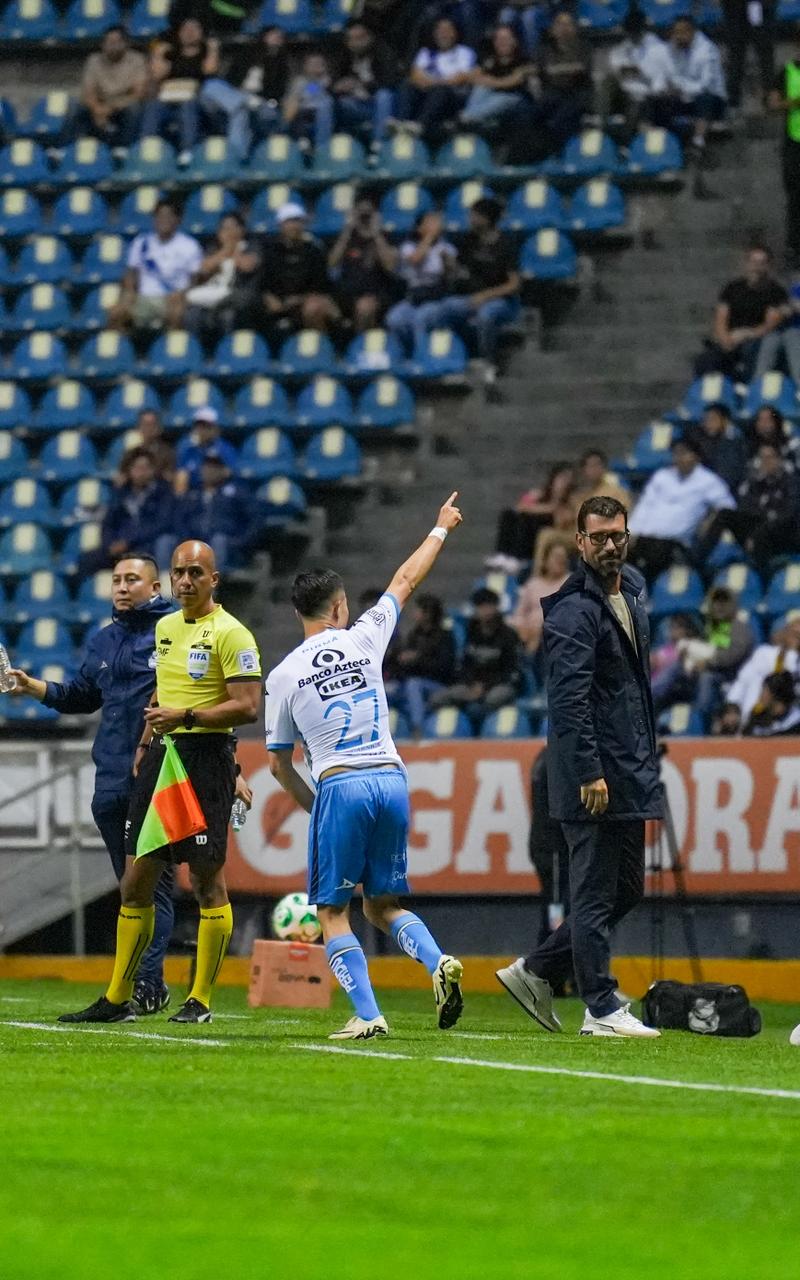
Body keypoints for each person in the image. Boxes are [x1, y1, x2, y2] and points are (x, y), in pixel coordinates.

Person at [265, 493, 465, 1040]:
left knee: (333, 912)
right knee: (382, 904)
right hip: (392, 779)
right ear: (339, 607)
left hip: (341, 784)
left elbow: (279, 765)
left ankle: (369, 1014)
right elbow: (405, 579)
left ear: (299, 613)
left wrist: (318, 809)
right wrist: (440, 527)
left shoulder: (282, 677)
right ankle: (437, 961)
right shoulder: (364, 637)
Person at [59, 540, 262, 1025]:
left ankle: (200, 1000)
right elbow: (161, 690)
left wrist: (187, 718)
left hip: (207, 759)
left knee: (207, 881)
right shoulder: (166, 628)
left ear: (214, 579)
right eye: (179, 573)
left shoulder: (233, 634)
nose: (186, 581)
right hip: (161, 759)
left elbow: (248, 706)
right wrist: (146, 741)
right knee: (136, 882)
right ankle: (117, 999)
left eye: (195, 572)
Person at [496, 495, 662, 1039]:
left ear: (627, 537)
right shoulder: (572, 610)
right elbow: (568, 702)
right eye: (599, 537)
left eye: (618, 535)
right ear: (580, 542)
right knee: (592, 895)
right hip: (592, 775)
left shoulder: (631, 590)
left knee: (627, 889)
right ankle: (601, 1007)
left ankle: (536, 969)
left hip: (627, 767)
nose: (610, 545)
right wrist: (590, 771)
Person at [4, 556, 176, 1015]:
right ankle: (141, 985)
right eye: (116, 580)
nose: (121, 587)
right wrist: (33, 687)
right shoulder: (104, 639)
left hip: (156, 774)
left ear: (155, 587)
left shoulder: (175, 632)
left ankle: (147, 985)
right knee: (130, 889)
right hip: (110, 779)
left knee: (151, 887)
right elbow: (82, 697)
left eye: (132, 579)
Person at [440, 195, 521, 393]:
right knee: (443, 310)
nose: (470, 219)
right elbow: (459, 271)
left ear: (486, 218)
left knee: (486, 315)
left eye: (474, 215)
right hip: (472, 297)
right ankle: (451, 359)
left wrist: (485, 296)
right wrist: (448, 264)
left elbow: (514, 284)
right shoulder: (469, 241)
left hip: (501, 301)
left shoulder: (506, 244)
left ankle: (488, 363)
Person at [627, 436, 736, 580]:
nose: (679, 458)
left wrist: (711, 519)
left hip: (676, 543)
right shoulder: (662, 476)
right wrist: (631, 531)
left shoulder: (708, 481)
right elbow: (645, 505)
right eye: (676, 454)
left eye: (684, 453)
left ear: (696, 456)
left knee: (654, 555)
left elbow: (728, 507)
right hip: (645, 537)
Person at [651, 586, 755, 722]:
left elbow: (733, 656)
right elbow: (701, 648)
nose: (719, 606)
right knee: (677, 666)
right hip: (704, 668)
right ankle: (651, 698)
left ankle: (701, 717)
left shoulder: (738, 627)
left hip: (730, 674)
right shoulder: (712, 626)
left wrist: (707, 663)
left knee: (706, 677)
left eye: (724, 602)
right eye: (716, 602)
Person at [696, 441, 800, 577]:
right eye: (762, 458)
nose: (765, 462)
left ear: (779, 459)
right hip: (758, 529)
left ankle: (762, 575)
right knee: (724, 514)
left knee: (766, 531)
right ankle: (697, 562)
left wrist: (758, 531)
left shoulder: (791, 481)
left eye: (770, 457)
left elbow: (788, 514)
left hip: (782, 534)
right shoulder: (754, 482)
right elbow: (746, 509)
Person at [695, 246, 790, 382]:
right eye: (753, 262)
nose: (757, 267)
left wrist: (747, 334)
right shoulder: (732, 288)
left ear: (768, 266)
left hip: (756, 340)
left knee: (754, 352)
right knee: (707, 359)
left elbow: (771, 324)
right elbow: (721, 318)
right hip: (731, 338)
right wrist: (725, 339)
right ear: (746, 264)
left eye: (762, 263)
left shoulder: (776, 292)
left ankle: (749, 386)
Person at [108, 198, 202, 334]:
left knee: (177, 314)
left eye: (169, 216)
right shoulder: (141, 242)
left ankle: (169, 346)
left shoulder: (190, 245)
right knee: (116, 313)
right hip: (143, 297)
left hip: (172, 298)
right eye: (160, 216)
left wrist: (182, 294)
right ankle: (124, 346)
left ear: (178, 219)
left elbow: (194, 280)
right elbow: (130, 273)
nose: (164, 220)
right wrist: (130, 292)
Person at [429, 586, 521, 723]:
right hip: (472, 685)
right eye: (481, 607)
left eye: (489, 606)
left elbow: (511, 671)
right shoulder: (471, 632)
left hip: (499, 685)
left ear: (496, 608)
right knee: (438, 698)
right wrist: (472, 685)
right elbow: (465, 665)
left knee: (493, 699)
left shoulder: (508, 635)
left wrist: (485, 686)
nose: (485, 611)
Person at [200, 25, 291, 163]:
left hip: (262, 103)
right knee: (211, 85)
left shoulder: (281, 64)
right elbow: (230, 80)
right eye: (273, 35)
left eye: (279, 37)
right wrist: (240, 94)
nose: (277, 38)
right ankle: (239, 154)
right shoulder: (245, 56)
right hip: (239, 96)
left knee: (240, 110)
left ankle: (235, 157)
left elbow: (277, 92)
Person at [141, 17, 219, 166]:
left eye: (194, 29)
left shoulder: (204, 53)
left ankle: (187, 151)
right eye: (185, 29)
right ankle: (147, 148)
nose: (189, 33)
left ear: (201, 33)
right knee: (153, 106)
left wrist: (213, 48)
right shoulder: (171, 54)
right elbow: (157, 75)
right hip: (169, 100)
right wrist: (158, 53)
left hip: (196, 101)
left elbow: (210, 70)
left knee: (187, 106)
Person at [393, 18, 477, 144]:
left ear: (455, 33)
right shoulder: (426, 52)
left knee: (440, 90)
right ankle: (401, 123)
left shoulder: (464, 52)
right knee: (406, 85)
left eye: (447, 30)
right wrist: (434, 82)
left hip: (452, 97)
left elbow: (460, 78)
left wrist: (431, 82)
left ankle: (419, 125)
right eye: (440, 30)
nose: (443, 34)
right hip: (426, 92)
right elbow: (415, 75)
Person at [260, 202, 339, 335]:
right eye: (289, 222)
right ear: (281, 225)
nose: (294, 226)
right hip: (279, 302)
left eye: (297, 221)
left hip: (305, 301)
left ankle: (320, 342)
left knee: (314, 308)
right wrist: (269, 297)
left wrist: (299, 299)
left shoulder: (314, 251)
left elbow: (321, 286)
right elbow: (263, 282)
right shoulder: (271, 251)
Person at [385, 211, 458, 352]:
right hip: (414, 298)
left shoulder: (447, 247)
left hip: (437, 299)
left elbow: (451, 276)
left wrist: (447, 262)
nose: (436, 225)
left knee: (421, 319)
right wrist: (429, 236)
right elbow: (415, 259)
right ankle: (401, 353)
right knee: (394, 318)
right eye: (430, 222)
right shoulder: (408, 246)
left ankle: (422, 355)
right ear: (419, 228)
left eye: (437, 222)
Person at [526, 11, 593, 160]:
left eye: (568, 24)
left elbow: (581, 68)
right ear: (552, 29)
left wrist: (554, 71)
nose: (564, 28)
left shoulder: (584, 48)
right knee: (530, 115)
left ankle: (559, 156)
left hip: (576, 93)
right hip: (552, 93)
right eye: (560, 24)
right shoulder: (544, 50)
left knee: (559, 120)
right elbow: (536, 70)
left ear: (574, 28)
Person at [184, 211, 262, 336]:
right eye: (225, 228)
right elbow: (204, 268)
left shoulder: (251, 246)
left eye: (232, 227)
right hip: (212, 292)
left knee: (228, 316)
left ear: (241, 230)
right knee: (192, 314)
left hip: (237, 294)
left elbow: (247, 267)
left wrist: (234, 249)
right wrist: (225, 250)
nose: (229, 232)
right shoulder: (214, 248)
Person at [716, 616, 800, 730]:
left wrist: (793, 652)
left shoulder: (795, 661)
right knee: (757, 679)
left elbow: (789, 679)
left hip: (790, 720)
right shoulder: (764, 653)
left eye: (798, 635)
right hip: (754, 718)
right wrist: (731, 706)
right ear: (784, 633)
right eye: (793, 633)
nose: (796, 638)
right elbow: (742, 681)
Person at [327, 197, 398, 334]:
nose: (364, 217)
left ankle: (359, 342)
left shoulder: (385, 237)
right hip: (347, 294)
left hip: (376, 294)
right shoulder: (346, 238)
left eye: (368, 214)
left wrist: (376, 233)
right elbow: (332, 262)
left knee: (364, 307)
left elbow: (390, 265)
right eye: (361, 213)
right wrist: (348, 229)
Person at [489, 461, 575, 571]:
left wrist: (553, 506)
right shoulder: (539, 494)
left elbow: (562, 520)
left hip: (542, 534)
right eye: (562, 478)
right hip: (528, 529)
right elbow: (521, 508)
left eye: (568, 479)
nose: (564, 483)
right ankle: (502, 554)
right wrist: (548, 508)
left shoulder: (570, 501)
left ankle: (520, 558)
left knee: (528, 519)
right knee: (509, 514)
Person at [75, 25, 149, 153]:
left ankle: (124, 150)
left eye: (117, 42)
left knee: (134, 108)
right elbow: (88, 91)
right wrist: (97, 109)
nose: (113, 46)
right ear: (102, 44)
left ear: (126, 44)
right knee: (75, 107)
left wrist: (110, 108)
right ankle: (73, 150)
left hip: (124, 105)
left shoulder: (137, 59)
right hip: (100, 105)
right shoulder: (93, 60)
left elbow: (138, 94)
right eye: (109, 42)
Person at [390, 592, 456, 735]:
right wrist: (403, 660)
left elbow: (444, 667)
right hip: (411, 681)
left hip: (437, 684)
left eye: (418, 609)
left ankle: (417, 728)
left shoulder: (444, 637)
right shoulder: (414, 635)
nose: (414, 613)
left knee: (414, 685)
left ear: (428, 613)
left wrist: (417, 659)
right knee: (389, 689)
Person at [99, 447, 177, 570]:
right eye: (137, 468)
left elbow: (161, 524)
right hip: (120, 547)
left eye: (146, 468)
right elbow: (108, 523)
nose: (142, 473)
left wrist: (129, 541)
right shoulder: (120, 494)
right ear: (129, 470)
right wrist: (110, 545)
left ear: (153, 470)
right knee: (90, 559)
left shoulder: (163, 493)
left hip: (147, 544)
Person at [661, 16, 727, 155]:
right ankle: (668, 142)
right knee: (662, 100)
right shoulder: (673, 48)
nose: (677, 37)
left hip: (712, 99)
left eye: (681, 32)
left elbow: (706, 85)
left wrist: (682, 88)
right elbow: (671, 74)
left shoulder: (707, 50)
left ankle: (698, 141)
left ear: (691, 32)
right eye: (675, 33)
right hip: (684, 95)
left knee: (705, 99)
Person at [601, 8, 671, 135]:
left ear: (643, 30)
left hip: (650, 95)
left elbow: (659, 80)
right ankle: (601, 127)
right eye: (630, 33)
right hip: (627, 93)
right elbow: (616, 67)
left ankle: (628, 139)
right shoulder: (624, 46)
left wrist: (640, 73)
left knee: (638, 105)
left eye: (636, 32)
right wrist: (624, 71)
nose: (632, 36)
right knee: (606, 82)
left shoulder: (658, 48)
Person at [332, 19, 400, 145]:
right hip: (357, 104)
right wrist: (338, 86)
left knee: (383, 96)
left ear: (370, 37)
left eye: (360, 38)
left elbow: (389, 82)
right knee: (337, 103)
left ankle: (378, 144)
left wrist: (362, 84)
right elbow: (329, 83)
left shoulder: (383, 53)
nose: (355, 43)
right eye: (351, 39)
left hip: (381, 103)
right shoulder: (343, 55)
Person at [178, 453, 251, 570]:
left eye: (214, 468)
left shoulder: (236, 493)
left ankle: (212, 579)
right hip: (196, 542)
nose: (209, 471)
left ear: (223, 471)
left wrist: (240, 541)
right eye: (206, 467)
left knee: (219, 540)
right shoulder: (193, 494)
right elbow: (181, 520)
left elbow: (253, 520)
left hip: (228, 545)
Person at [460, 24, 530, 130]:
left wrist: (490, 81)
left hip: (516, 98)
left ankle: (466, 117)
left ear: (514, 41)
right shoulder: (490, 60)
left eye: (506, 39)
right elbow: (471, 77)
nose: (502, 42)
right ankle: (477, 121)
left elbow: (513, 81)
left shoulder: (524, 60)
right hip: (491, 98)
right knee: (481, 88)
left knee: (502, 98)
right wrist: (487, 81)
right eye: (499, 39)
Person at [770, 28, 800, 267]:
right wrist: (794, 102)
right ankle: (795, 246)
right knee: (795, 197)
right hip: (795, 142)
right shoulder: (786, 71)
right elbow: (773, 104)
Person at [509, 541, 571, 655]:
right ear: (545, 560)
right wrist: (523, 627)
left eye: (563, 557)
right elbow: (519, 613)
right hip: (528, 633)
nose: (560, 561)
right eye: (556, 557)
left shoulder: (570, 583)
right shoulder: (533, 584)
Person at [722, 0, 775, 112]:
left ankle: (769, 97)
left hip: (760, 6)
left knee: (765, 53)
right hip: (735, 8)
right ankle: (733, 101)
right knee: (736, 55)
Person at [174, 406, 239, 494]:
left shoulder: (224, 448)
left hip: (218, 492)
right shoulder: (187, 447)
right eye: (198, 426)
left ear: (215, 428)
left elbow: (231, 472)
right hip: (194, 493)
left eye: (206, 426)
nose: (201, 430)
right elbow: (181, 474)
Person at [686, 403, 748, 494]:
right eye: (705, 420)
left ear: (725, 421)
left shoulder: (736, 442)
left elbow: (729, 475)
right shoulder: (699, 439)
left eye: (712, 419)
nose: (708, 424)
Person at [282, 49, 335, 150]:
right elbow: (299, 98)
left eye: (320, 64)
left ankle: (322, 147)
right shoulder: (300, 81)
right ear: (305, 66)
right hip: (303, 112)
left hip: (324, 113)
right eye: (313, 64)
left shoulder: (328, 80)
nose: (317, 67)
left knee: (326, 105)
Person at [568, 448, 632, 525]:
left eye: (598, 465)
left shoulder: (617, 492)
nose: (595, 469)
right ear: (583, 470)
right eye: (591, 466)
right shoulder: (576, 496)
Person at [116, 409, 176, 486]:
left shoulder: (167, 452)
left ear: (159, 428)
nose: (149, 428)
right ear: (138, 427)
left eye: (152, 424)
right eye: (145, 424)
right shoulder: (131, 452)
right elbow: (122, 475)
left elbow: (169, 477)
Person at [742, 670, 800, 735]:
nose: (761, 696)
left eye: (764, 691)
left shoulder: (796, 722)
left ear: (775, 694)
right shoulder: (756, 719)